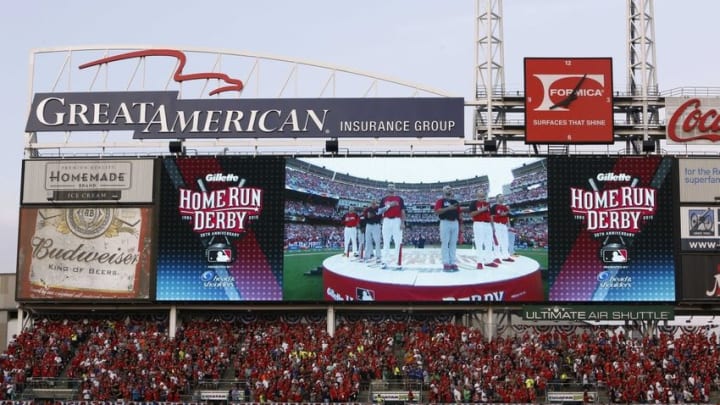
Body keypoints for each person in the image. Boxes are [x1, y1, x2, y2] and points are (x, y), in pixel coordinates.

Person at [467, 188, 498, 269]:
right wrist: (481, 210)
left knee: (489, 243)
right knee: (479, 243)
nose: (482, 192)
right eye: (480, 191)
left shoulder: (487, 204)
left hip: (487, 224)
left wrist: (492, 226)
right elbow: (471, 214)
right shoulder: (474, 203)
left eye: (483, 191)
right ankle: (479, 262)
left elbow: (490, 215)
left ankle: (489, 261)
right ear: (476, 194)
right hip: (478, 223)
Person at [434, 185, 461, 271]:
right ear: (443, 191)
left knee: (453, 243)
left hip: (455, 222)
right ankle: (446, 262)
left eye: (450, 188)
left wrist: (462, 224)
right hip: (445, 222)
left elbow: (459, 213)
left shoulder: (455, 201)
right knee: (445, 243)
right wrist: (449, 208)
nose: (449, 189)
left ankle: (453, 262)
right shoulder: (440, 201)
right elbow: (437, 211)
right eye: (447, 188)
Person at [380, 183, 406, 269]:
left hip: (397, 220)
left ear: (395, 188)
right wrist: (389, 205)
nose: (391, 187)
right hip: (386, 220)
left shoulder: (399, 199)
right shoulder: (384, 199)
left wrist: (402, 222)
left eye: (392, 186)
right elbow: (379, 211)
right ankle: (384, 261)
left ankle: (397, 262)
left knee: (397, 241)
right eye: (389, 186)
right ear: (387, 188)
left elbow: (402, 211)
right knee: (386, 242)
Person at [492, 193, 514, 263]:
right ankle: (496, 257)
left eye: (503, 197)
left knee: (505, 241)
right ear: (497, 198)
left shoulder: (505, 207)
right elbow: (492, 216)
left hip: (504, 225)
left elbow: (507, 217)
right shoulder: (494, 207)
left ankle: (506, 256)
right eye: (501, 197)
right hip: (497, 224)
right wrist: (492, 226)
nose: (503, 198)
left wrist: (508, 226)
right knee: (497, 241)